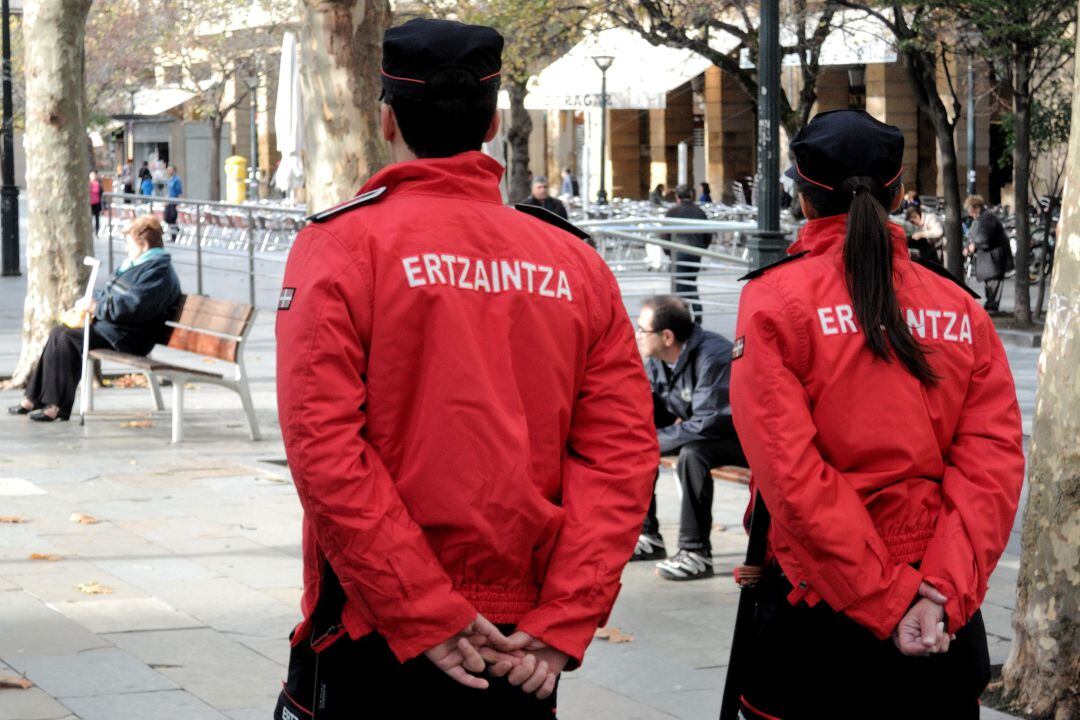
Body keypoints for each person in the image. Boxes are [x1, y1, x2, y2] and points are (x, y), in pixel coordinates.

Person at [273, 18, 657, 720]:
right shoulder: (574, 260)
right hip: (523, 641)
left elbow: (323, 449)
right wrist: (565, 617)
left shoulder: (341, 243)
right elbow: (623, 455)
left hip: (376, 623)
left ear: (386, 119)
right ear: (490, 124)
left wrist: (425, 607)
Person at [729, 109, 1024, 719]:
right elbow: (992, 469)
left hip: (822, 608)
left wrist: (889, 597)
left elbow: (790, 476)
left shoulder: (775, 300)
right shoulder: (957, 305)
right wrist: (937, 592)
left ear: (803, 196)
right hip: (940, 612)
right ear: (896, 192)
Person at [8, 216, 181, 422]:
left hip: (130, 337)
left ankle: (56, 406)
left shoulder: (157, 272)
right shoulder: (137, 265)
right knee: (58, 332)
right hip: (114, 329)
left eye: (129, 243)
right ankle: (33, 397)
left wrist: (97, 307)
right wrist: (91, 301)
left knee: (68, 339)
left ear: (143, 245)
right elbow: (109, 292)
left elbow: (133, 307)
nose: (126, 249)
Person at [631, 295, 745, 581]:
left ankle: (695, 553)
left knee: (692, 454)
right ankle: (648, 535)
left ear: (666, 336)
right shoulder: (658, 360)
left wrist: (651, 440)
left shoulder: (714, 356)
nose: (637, 335)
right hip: (706, 432)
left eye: (642, 330)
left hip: (743, 439)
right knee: (638, 442)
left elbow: (708, 423)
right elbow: (651, 406)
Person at [662, 184, 712, 322]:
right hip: (695, 252)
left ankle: (683, 316)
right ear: (691, 195)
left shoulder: (672, 212)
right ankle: (695, 312)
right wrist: (701, 249)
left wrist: (668, 252)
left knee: (681, 285)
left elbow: (665, 235)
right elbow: (708, 235)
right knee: (690, 282)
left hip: (678, 252)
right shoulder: (699, 212)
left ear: (677, 197)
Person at [965, 195, 1013, 312]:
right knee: (989, 283)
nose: (969, 213)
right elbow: (973, 235)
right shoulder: (980, 218)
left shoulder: (987, 218)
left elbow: (984, 236)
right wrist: (969, 245)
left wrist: (973, 245)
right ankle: (990, 305)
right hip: (988, 259)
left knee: (994, 282)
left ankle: (992, 306)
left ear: (976, 207)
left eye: (969, 209)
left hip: (994, 258)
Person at [164, 165, 183, 242]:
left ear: (174, 171)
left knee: (172, 218)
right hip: (169, 201)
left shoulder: (177, 180)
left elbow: (179, 191)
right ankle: (176, 231)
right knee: (167, 218)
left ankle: (174, 236)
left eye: (170, 170)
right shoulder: (169, 180)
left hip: (174, 201)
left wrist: (179, 203)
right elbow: (168, 191)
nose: (169, 171)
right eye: (168, 170)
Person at [88, 171, 103, 235]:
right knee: (90, 218)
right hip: (90, 204)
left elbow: (101, 192)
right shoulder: (88, 184)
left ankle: (96, 231)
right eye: (91, 176)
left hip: (97, 203)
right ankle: (90, 230)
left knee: (97, 218)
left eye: (93, 176)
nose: (93, 177)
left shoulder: (98, 184)